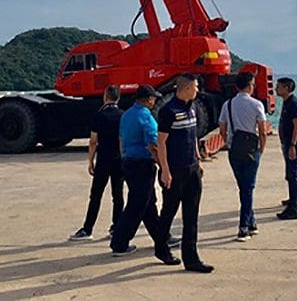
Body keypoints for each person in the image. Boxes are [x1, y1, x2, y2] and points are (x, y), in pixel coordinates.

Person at [109, 85, 179, 264]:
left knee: (148, 204)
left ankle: (161, 237)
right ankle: (119, 242)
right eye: (154, 98)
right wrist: (163, 166)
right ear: (148, 99)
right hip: (142, 163)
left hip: (128, 161)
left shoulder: (127, 115)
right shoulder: (146, 117)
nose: (154, 101)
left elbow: (121, 139)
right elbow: (153, 145)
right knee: (138, 204)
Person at [156, 74, 214, 273]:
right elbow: (161, 143)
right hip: (174, 169)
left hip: (191, 169)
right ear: (187, 88)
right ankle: (161, 246)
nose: (198, 90)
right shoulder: (168, 111)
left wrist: (198, 160)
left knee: (192, 214)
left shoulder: (192, 108)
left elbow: (193, 136)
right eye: (196, 87)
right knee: (169, 211)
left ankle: (191, 258)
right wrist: (165, 170)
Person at [68, 85, 124, 241]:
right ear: (118, 98)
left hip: (103, 160)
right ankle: (116, 226)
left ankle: (88, 229)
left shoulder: (98, 116)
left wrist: (90, 161)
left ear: (105, 97)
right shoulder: (122, 115)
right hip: (118, 159)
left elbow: (93, 141)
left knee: (96, 195)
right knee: (117, 195)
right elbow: (122, 140)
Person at [219, 72, 267, 241]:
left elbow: (222, 129)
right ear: (249, 86)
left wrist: (229, 142)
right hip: (250, 151)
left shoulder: (228, 104)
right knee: (248, 188)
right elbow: (262, 130)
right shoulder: (256, 105)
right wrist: (261, 148)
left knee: (243, 188)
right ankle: (243, 227)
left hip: (234, 150)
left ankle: (251, 222)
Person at [275, 77, 297, 220]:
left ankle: (293, 208)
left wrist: (293, 145)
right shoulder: (287, 103)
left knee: (292, 174)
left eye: (279, 86)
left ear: (287, 88)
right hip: (290, 143)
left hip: (292, 144)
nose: (276, 89)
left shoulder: (293, 104)